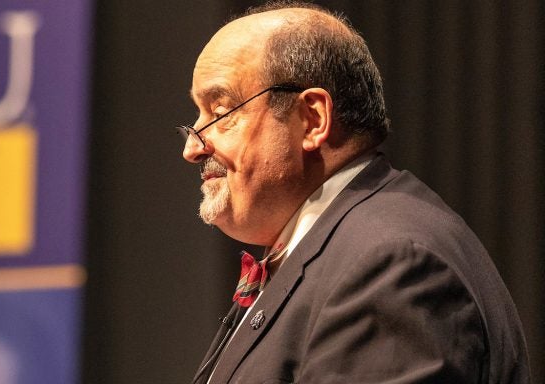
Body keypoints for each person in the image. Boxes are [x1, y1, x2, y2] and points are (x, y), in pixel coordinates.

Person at [177, 2, 531, 383]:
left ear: (312, 119)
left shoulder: (389, 264)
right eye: (198, 116)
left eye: (221, 111)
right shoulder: (338, 247)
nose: (192, 148)